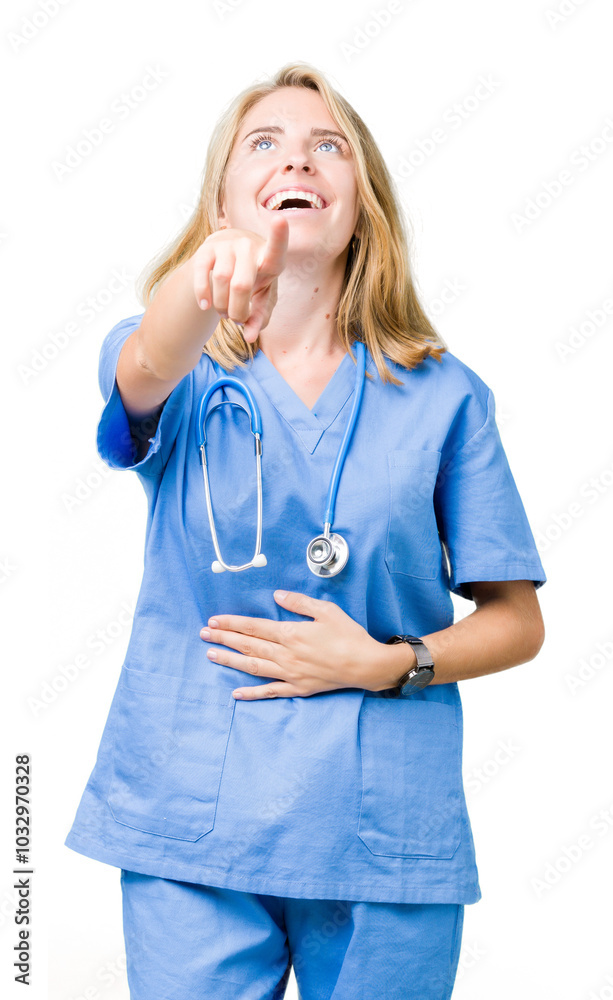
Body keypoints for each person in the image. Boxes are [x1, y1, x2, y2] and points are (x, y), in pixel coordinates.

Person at [65, 62, 547, 999]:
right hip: (192, 825)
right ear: (221, 202)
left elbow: (516, 621)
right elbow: (147, 361)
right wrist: (199, 284)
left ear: (363, 205)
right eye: (265, 143)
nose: (297, 159)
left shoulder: (445, 395)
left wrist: (387, 662)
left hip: (382, 831)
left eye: (329, 145)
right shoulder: (179, 364)